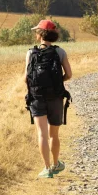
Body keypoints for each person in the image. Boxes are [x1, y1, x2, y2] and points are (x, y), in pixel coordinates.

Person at [24, 19, 72, 179]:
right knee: (54, 135)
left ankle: (46, 168)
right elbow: (69, 75)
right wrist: (57, 83)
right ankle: (56, 163)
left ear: (40, 34)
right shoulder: (60, 52)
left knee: (42, 134)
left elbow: (26, 78)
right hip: (56, 97)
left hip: (37, 98)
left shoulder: (31, 53)